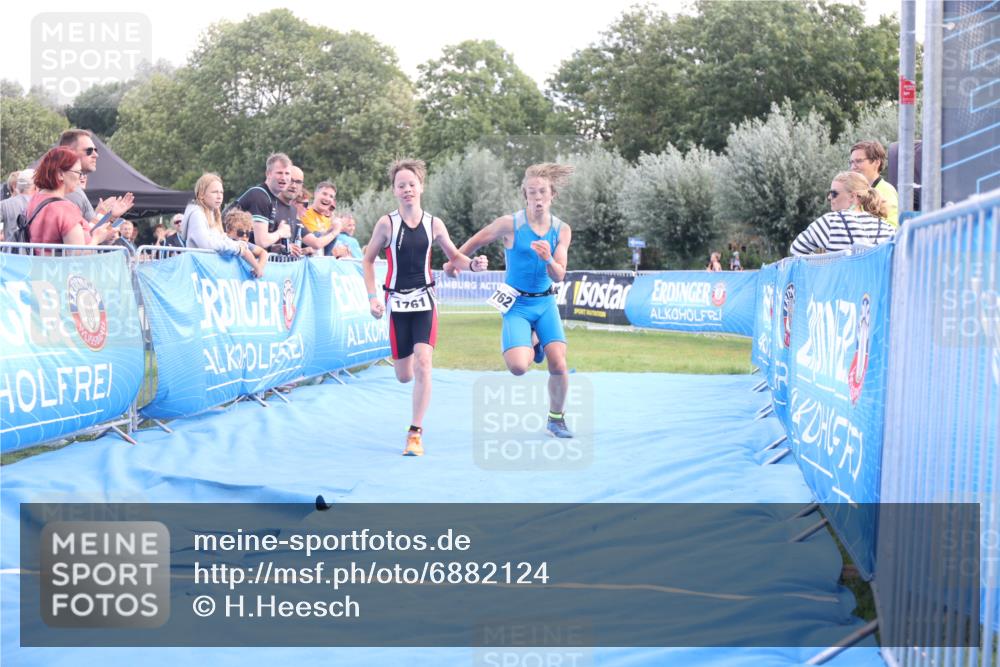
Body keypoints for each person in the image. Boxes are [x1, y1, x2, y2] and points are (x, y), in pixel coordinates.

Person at [362, 158, 488, 456]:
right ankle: (406, 379)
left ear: (421, 187)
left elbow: (454, 257)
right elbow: (367, 260)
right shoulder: (387, 223)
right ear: (394, 190)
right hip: (397, 302)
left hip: (425, 300)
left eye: (411, 184)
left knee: (423, 363)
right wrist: (372, 298)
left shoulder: (434, 224)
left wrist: (473, 264)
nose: (407, 189)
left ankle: (415, 432)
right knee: (404, 374)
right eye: (401, 185)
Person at [446, 163, 575, 439]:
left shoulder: (562, 230)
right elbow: (475, 241)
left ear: (552, 195)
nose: (537, 197)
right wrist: (455, 263)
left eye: (542, 192)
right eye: (532, 192)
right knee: (518, 367)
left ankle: (556, 418)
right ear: (525, 195)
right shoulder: (510, 225)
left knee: (559, 364)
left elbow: (559, 275)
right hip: (516, 304)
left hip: (544, 303)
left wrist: (548, 258)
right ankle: (532, 341)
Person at [24, 147, 118, 252]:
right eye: (78, 172)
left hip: (39, 266)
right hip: (62, 268)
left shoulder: (35, 199)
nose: (81, 178)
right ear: (60, 174)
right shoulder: (65, 208)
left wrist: (110, 215)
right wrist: (96, 239)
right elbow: (78, 256)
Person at [790, 171, 897, 256]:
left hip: (840, 284)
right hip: (875, 283)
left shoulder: (830, 222)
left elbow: (796, 249)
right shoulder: (886, 228)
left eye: (834, 193)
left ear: (852, 196)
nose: (829, 198)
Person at [184, 173, 266, 277]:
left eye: (221, 192)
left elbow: (223, 239)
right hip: (197, 273)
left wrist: (240, 247)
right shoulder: (196, 213)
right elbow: (206, 244)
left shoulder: (212, 214)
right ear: (201, 194)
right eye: (214, 192)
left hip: (206, 272)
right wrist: (236, 247)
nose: (219, 196)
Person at [58, 129, 134, 225]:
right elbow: (85, 237)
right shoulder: (70, 192)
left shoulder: (71, 190)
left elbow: (92, 232)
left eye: (95, 150)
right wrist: (105, 215)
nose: (96, 155)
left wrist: (111, 217)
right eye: (89, 150)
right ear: (70, 152)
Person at [234, 152, 294, 254]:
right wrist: (280, 233)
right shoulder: (260, 196)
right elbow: (261, 241)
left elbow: (255, 241)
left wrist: (273, 248)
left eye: (287, 173)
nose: (284, 177)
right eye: (279, 173)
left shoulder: (271, 198)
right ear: (268, 174)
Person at [850, 140, 898, 227]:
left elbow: (892, 228)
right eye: (852, 162)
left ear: (876, 162)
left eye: (859, 161)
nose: (853, 167)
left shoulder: (886, 191)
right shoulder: (857, 192)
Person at [300, 180, 342, 255]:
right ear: (316, 194)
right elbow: (315, 241)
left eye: (331, 196)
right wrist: (333, 232)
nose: (327, 198)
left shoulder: (330, 221)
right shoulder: (305, 213)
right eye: (324, 194)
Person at [0, 168, 38, 240]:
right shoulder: (43, 205)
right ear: (35, 187)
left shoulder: (4, 205)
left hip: (9, 250)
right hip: (35, 250)